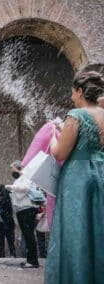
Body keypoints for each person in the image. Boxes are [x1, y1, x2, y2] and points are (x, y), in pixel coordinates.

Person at [45, 71, 104, 283]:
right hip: (101, 172)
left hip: (78, 178)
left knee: (76, 231)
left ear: (80, 91)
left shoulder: (76, 115)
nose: (71, 97)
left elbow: (60, 152)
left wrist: (53, 139)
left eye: (73, 92)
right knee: (99, 227)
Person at [5, 161, 39, 268]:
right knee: (28, 235)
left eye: (13, 169)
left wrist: (10, 187)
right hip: (22, 210)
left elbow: (25, 189)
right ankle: (30, 260)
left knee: (29, 236)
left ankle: (33, 261)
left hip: (27, 209)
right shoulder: (19, 179)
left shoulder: (26, 177)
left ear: (19, 168)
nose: (12, 171)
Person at [0, 184, 16, 258]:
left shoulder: (6, 198)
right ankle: (1, 256)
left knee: (10, 241)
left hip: (7, 223)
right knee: (0, 242)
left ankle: (13, 255)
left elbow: (7, 210)